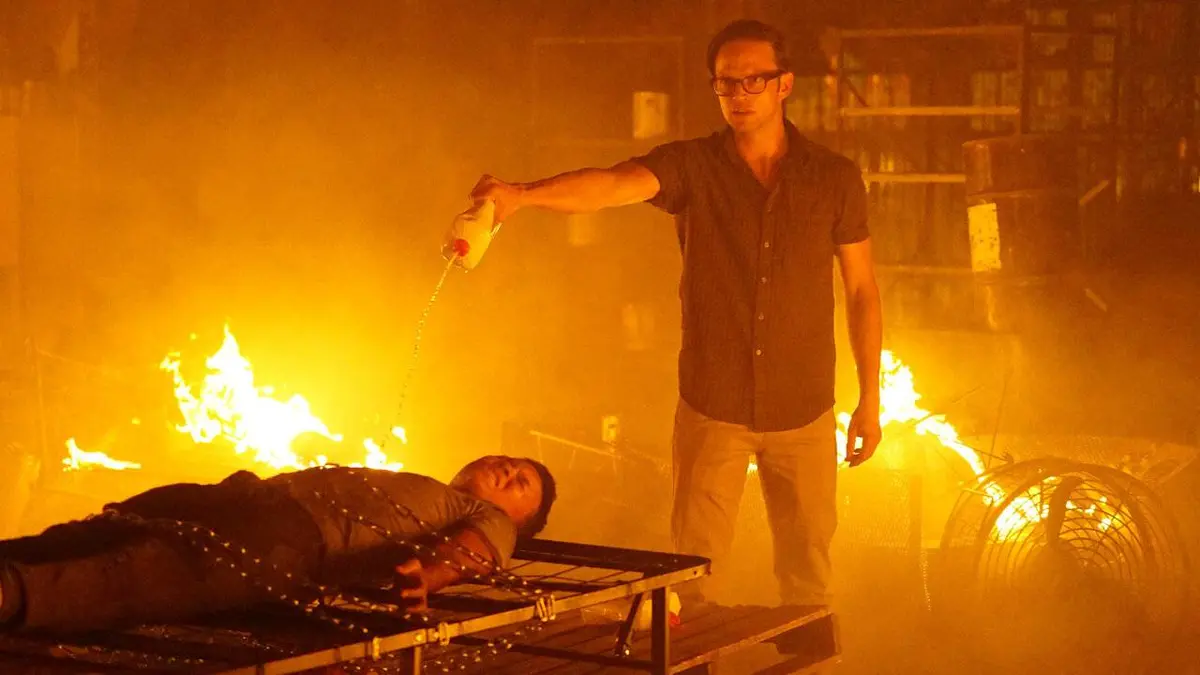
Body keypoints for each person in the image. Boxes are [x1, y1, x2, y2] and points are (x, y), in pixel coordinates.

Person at [468, 19, 882, 609]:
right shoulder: (693, 166)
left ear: (784, 84)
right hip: (714, 404)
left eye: (753, 80)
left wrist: (870, 399)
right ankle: (699, 651)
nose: (738, 94)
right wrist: (522, 195)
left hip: (804, 407)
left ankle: (809, 652)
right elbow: (611, 186)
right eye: (725, 83)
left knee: (809, 571)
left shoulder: (834, 178)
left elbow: (862, 290)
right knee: (693, 576)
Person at [0, 455, 556, 632]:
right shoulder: (432, 489)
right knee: (92, 534)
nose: (508, 470)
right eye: (508, 461)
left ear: (517, 518)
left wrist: (425, 577)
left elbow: (476, 550)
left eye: (520, 483)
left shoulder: (492, 522)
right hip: (245, 497)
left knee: (129, 579)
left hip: (288, 542)